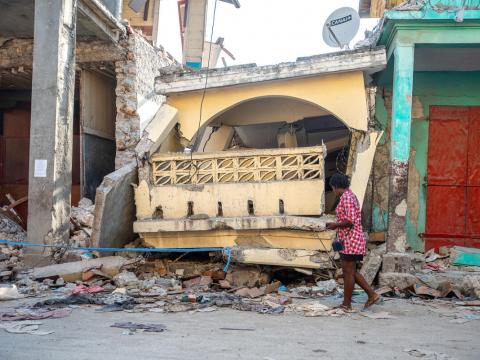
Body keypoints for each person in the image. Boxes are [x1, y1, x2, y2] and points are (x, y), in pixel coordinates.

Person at [326, 173, 379, 311]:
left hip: (351, 240)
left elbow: (350, 221)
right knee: (351, 271)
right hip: (349, 239)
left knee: (348, 273)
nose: (333, 190)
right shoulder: (348, 196)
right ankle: (371, 294)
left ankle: (347, 304)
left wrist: (335, 225)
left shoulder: (347, 198)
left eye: (333, 187)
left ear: (336, 187)